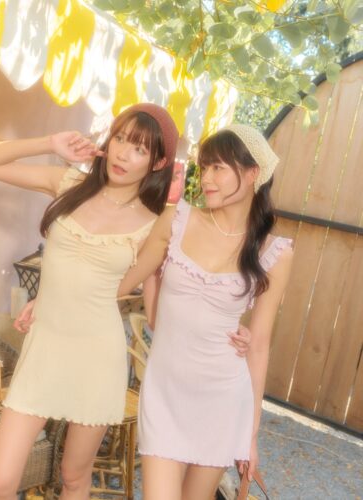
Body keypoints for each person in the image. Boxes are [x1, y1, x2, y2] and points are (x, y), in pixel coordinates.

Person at [0, 103, 179, 500]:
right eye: (120, 139)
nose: (122, 154)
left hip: (98, 356)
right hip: (44, 349)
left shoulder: (154, 225)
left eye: (139, 149)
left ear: (158, 162)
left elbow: (118, 290)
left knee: (74, 478)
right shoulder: (68, 183)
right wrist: (50, 143)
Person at [116, 125, 294, 500]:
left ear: (252, 173)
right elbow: (134, 285)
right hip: (165, 392)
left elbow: (259, 345)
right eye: (205, 167)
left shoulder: (274, 253)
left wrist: (250, 436)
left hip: (223, 399)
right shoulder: (177, 220)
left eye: (218, 168)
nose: (206, 178)